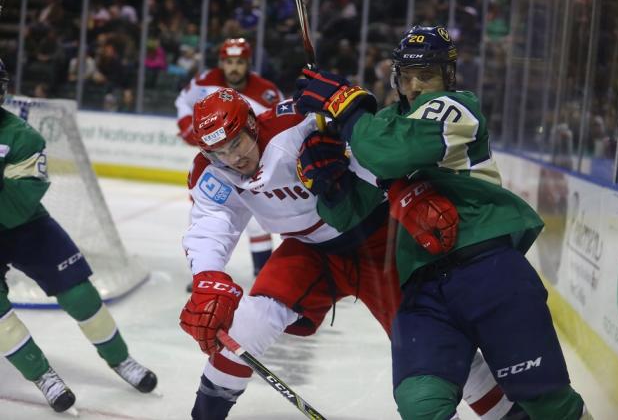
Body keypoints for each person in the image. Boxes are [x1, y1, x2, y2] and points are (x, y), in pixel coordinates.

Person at [293, 26, 593, 419]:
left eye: (426, 75)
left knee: (546, 400)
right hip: (424, 289)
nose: (414, 86)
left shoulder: (456, 106)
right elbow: (347, 212)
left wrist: (347, 107)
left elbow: (393, 151)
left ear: (448, 77)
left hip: (489, 271)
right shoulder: (384, 124)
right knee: (421, 404)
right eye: (406, 76)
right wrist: (329, 181)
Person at [178, 87, 526, 420]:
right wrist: (208, 276)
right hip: (309, 250)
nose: (232, 158)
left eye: (236, 142)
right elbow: (212, 222)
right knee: (250, 323)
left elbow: (369, 146)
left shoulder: (296, 125)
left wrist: (403, 188)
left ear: (252, 124)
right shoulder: (212, 171)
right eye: (218, 151)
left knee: (430, 341)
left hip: (378, 241)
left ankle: (509, 415)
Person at [0, 58, 157, 414]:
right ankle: (44, 377)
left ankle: (121, 360)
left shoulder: (23, 137)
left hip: (25, 225)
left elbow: (15, 206)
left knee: (80, 294)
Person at [175, 38, 284, 281]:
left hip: (254, 163)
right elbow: (183, 101)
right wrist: (186, 126)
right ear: (221, 63)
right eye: (229, 62)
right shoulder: (204, 81)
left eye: (239, 62)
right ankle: (203, 272)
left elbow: (277, 125)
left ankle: (263, 275)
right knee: (205, 216)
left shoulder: (267, 91)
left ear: (248, 63)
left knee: (258, 221)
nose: (234, 68)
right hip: (218, 164)